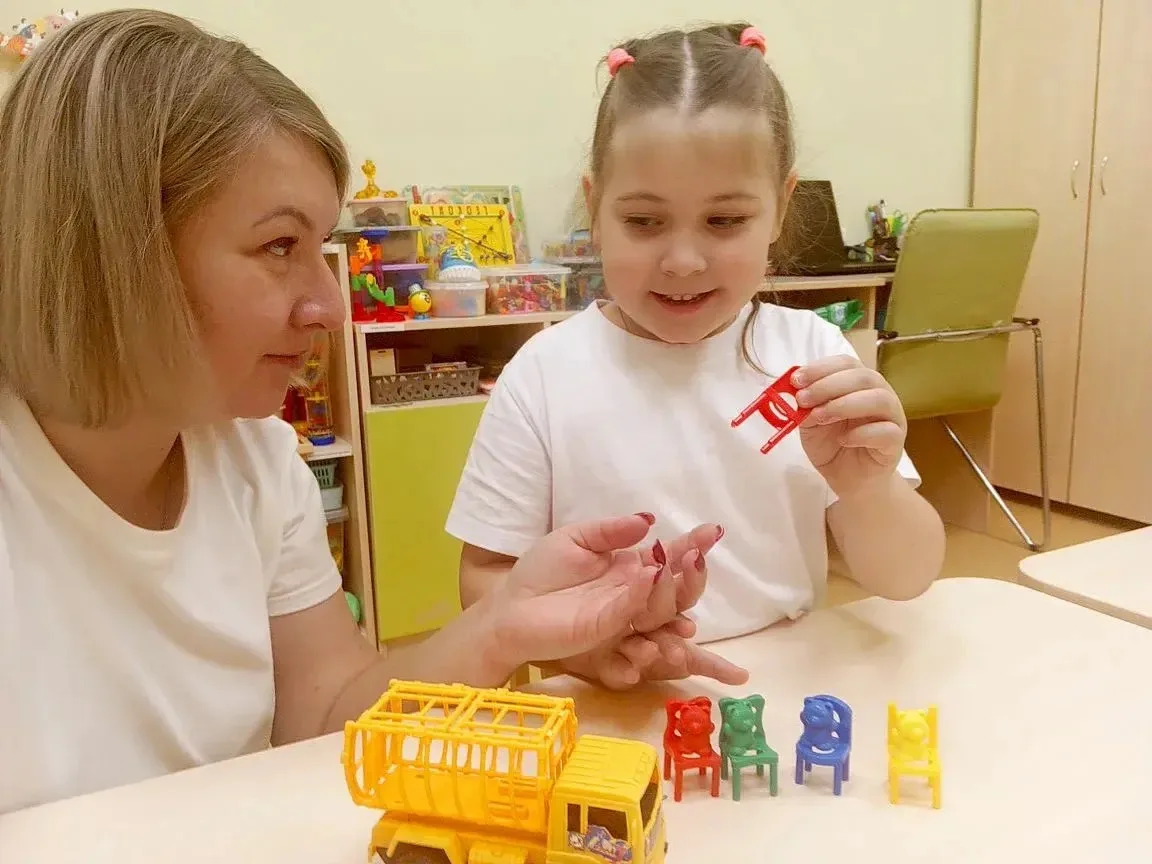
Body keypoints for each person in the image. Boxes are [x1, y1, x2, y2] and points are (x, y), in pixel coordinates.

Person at [0, 10, 719, 814]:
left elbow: (327, 714)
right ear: (118, 254)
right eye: (280, 247)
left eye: (323, 249)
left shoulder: (259, 464)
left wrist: (505, 627)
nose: (329, 306)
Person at [449, 22, 947, 686]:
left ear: (780, 208)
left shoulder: (812, 355)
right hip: (608, 703)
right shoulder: (543, 375)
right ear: (595, 208)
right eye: (644, 221)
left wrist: (870, 488)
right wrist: (581, 653)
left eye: (724, 220)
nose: (683, 261)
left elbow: (908, 578)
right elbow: (486, 576)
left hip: (784, 690)